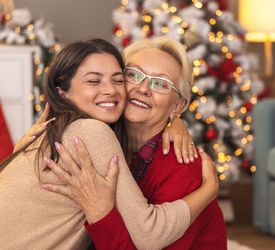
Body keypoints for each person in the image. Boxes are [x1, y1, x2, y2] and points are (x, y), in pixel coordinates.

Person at [0, 38, 220, 250]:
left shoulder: (181, 162)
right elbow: (149, 233)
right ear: (62, 93)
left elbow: (148, 236)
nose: (142, 89)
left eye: (161, 83)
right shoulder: (92, 132)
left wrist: (100, 214)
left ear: (177, 106)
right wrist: (209, 190)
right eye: (133, 75)